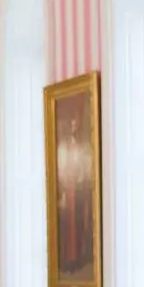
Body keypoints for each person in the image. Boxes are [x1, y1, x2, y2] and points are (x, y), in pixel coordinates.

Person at [56, 113, 94, 273]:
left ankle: (78, 256)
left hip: (78, 188)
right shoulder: (63, 147)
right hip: (67, 188)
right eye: (71, 124)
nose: (74, 127)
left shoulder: (83, 146)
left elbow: (86, 166)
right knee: (68, 225)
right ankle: (68, 258)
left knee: (78, 223)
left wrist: (81, 176)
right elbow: (60, 168)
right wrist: (66, 181)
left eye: (76, 125)